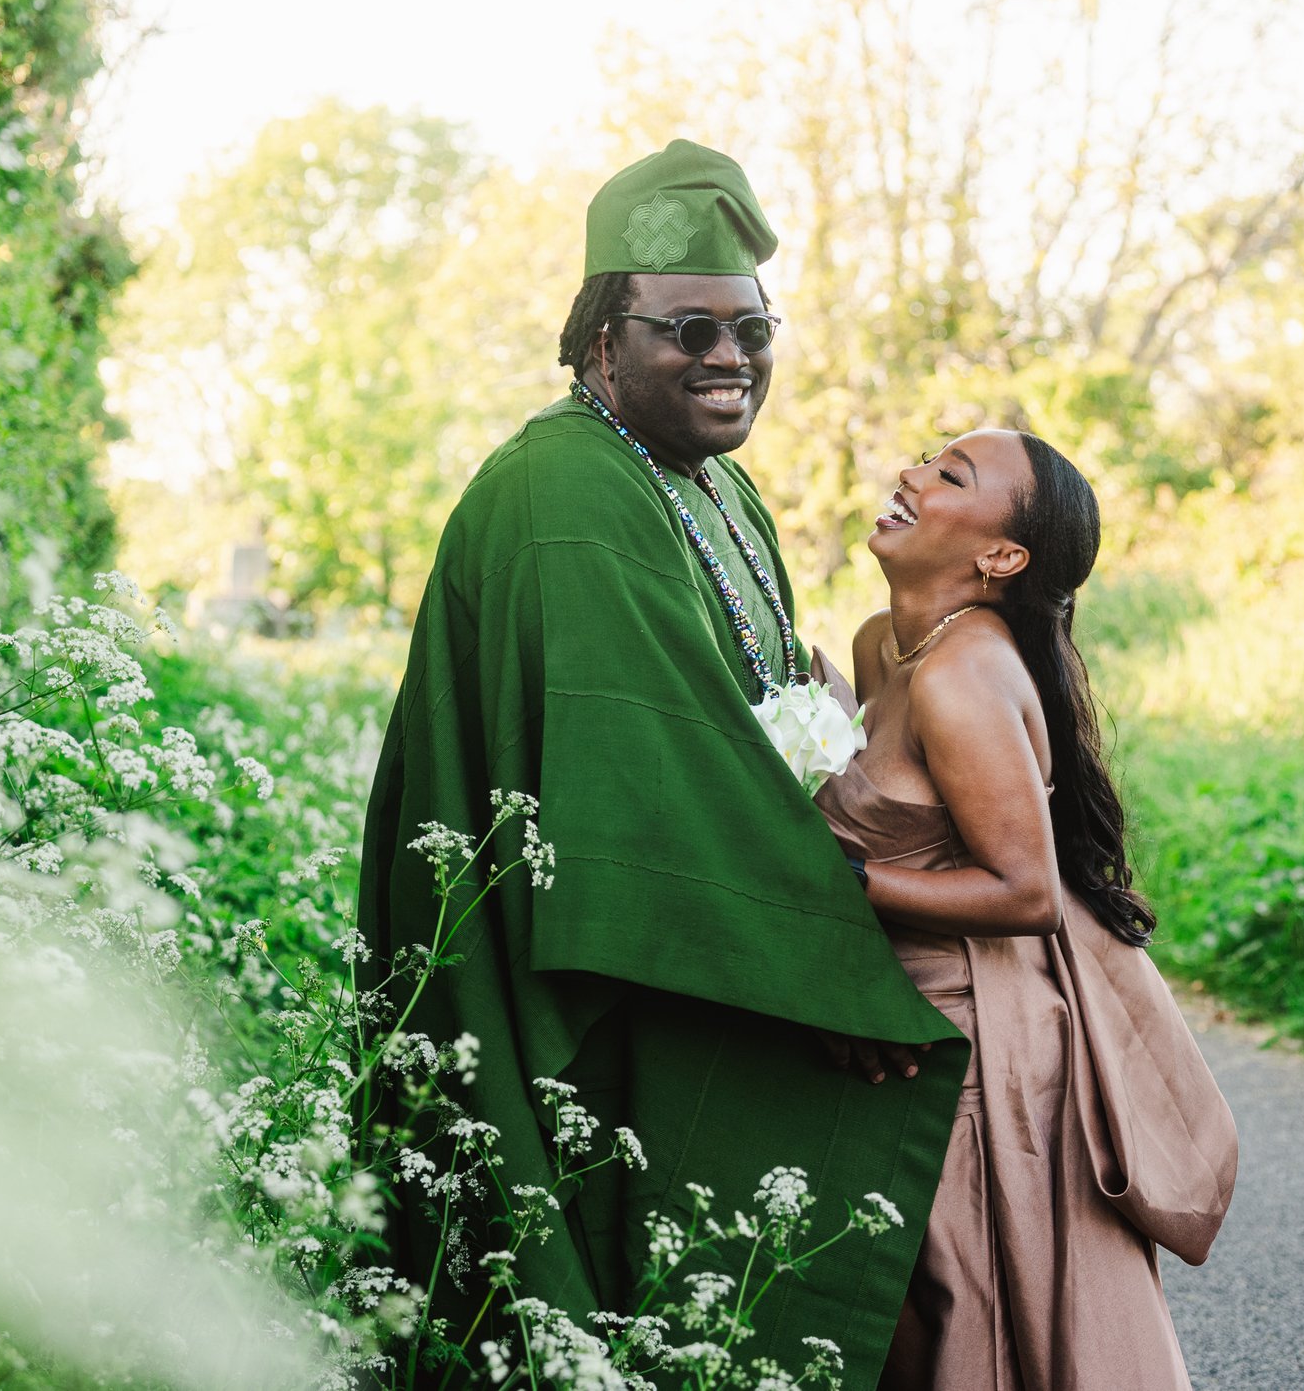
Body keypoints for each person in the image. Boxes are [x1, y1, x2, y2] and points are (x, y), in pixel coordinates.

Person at [355, 139, 962, 1386]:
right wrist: (831, 971)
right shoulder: (565, 488)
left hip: (683, 923)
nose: (728, 358)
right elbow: (646, 772)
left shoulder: (713, 490)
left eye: (752, 329)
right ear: (599, 338)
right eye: (687, 328)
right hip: (574, 954)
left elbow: (778, 706)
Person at [816, 429, 1241, 1390]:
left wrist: (840, 882)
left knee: (967, 1316)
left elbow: (1027, 891)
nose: (912, 475)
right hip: (892, 1017)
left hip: (972, 1046)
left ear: (1001, 558)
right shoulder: (883, 643)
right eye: (927, 456)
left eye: (950, 476)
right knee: (905, 1314)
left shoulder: (964, 674)